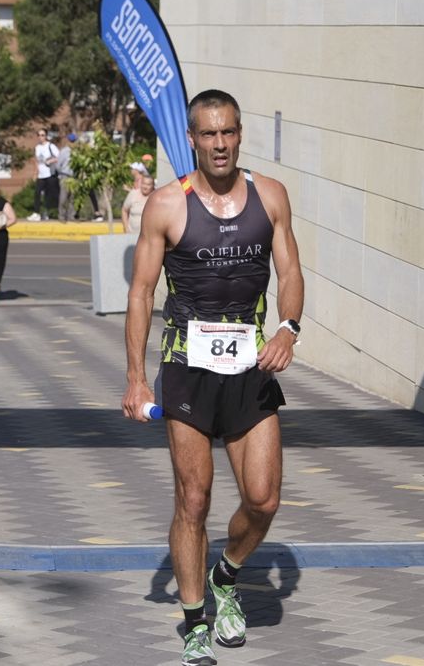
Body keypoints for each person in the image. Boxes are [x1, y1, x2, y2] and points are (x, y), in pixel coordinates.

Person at [121, 89, 304, 666]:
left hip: (249, 368)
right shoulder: (167, 206)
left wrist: (288, 329)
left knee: (265, 498)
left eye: (227, 133)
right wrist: (135, 378)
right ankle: (196, 621)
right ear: (193, 139)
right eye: (208, 134)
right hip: (187, 369)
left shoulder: (270, 196)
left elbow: (291, 270)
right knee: (193, 501)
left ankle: (227, 575)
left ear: (240, 134)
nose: (219, 144)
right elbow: (142, 293)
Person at [33, 128, 60, 221]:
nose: (41, 137)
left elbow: (58, 157)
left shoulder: (51, 146)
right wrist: (35, 172)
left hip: (50, 174)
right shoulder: (37, 147)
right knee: (37, 193)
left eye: (43, 135)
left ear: (46, 136)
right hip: (41, 175)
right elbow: (36, 161)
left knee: (51, 195)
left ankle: (51, 212)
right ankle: (36, 213)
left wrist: (50, 161)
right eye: (39, 135)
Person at [121, 162, 153, 234]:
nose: (131, 170)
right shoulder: (134, 192)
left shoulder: (140, 179)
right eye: (144, 184)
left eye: (132, 169)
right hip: (132, 233)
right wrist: (126, 228)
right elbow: (124, 210)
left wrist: (127, 189)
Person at [57, 132, 77, 223]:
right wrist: (61, 174)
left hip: (75, 177)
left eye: (74, 141)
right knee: (63, 197)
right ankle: (62, 216)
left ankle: (71, 216)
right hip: (65, 175)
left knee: (73, 198)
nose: (72, 143)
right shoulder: (64, 151)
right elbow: (58, 165)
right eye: (71, 141)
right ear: (68, 141)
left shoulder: (78, 151)